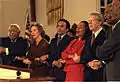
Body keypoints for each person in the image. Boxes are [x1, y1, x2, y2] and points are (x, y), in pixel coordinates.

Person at [96, 0, 120, 81]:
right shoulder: (109, 29)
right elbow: (108, 51)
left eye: (109, 12)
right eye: (104, 13)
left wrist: (99, 51)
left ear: (118, 11)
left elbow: (107, 47)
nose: (105, 15)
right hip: (110, 73)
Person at [80, 11, 106, 81]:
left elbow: (109, 54)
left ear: (100, 22)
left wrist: (101, 63)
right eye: (89, 21)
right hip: (88, 75)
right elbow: (83, 56)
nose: (89, 23)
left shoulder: (106, 35)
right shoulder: (88, 38)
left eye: (92, 21)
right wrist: (88, 64)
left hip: (100, 74)